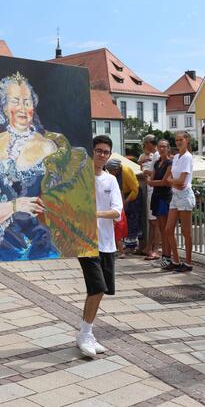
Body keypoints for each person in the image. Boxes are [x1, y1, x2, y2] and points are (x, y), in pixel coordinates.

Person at [0, 72, 96, 261]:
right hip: (2, 243)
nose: (23, 108)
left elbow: (63, 206)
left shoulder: (49, 147)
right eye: (15, 101)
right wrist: (14, 206)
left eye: (27, 102)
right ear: (4, 108)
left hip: (42, 241)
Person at [76, 135, 122, 358]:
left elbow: (117, 211)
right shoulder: (81, 178)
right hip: (86, 241)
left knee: (99, 290)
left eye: (106, 152)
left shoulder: (111, 180)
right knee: (97, 288)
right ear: (91, 151)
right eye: (98, 150)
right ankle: (85, 334)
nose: (102, 155)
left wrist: (95, 213)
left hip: (106, 242)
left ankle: (86, 333)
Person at [163, 131, 195, 272]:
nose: (178, 142)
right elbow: (170, 179)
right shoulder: (176, 157)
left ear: (187, 140)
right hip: (176, 195)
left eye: (181, 139)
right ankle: (176, 260)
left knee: (186, 231)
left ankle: (188, 262)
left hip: (185, 195)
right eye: (176, 140)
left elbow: (181, 181)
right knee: (168, 229)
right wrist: (174, 182)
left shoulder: (187, 157)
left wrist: (173, 181)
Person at [105, 158, 139, 258]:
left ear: (116, 169)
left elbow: (135, 189)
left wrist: (125, 201)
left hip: (133, 196)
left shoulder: (125, 171)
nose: (110, 173)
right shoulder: (115, 175)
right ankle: (126, 246)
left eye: (111, 170)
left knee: (132, 221)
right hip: (123, 197)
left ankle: (131, 246)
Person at [147, 140, 173, 268]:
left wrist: (153, 182)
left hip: (164, 198)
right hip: (156, 197)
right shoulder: (157, 163)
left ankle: (168, 258)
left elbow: (165, 182)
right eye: (160, 147)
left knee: (166, 229)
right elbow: (151, 179)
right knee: (161, 228)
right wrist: (154, 182)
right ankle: (164, 257)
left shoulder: (170, 162)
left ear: (168, 148)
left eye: (164, 146)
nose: (162, 149)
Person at [138, 134, 160, 260]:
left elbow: (157, 172)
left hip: (154, 190)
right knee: (152, 222)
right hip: (151, 189)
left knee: (155, 222)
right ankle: (150, 247)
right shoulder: (149, 156)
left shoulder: (156, 155)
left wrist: (146, 172)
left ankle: (155, 249)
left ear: (148, 143)